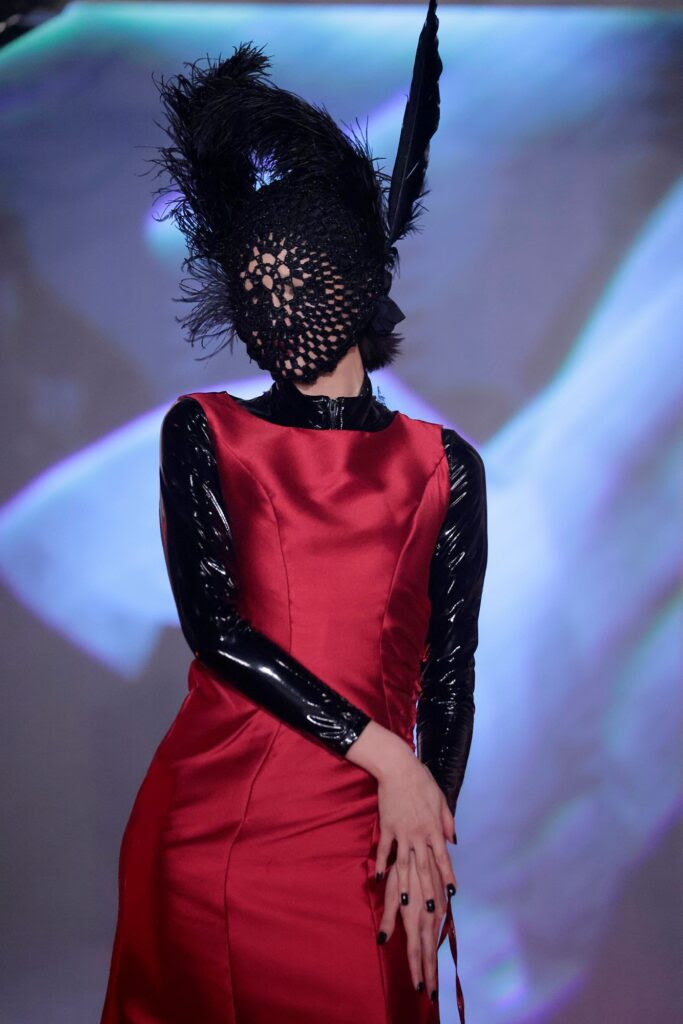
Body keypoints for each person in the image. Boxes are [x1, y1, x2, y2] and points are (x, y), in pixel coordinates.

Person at [100, 3, 488, 1022]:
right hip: (218, 829)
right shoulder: (205, 429)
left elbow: (450, 672)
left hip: (372, 831)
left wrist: (426, 822)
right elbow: (218, 630)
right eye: (262, 279)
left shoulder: (441, 463)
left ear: (357, 277)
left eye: (299, 270)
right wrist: (391, 756)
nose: (281, 295)